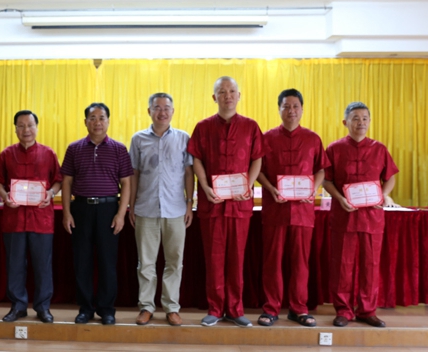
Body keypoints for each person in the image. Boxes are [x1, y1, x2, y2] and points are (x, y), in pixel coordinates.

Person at [187, 76, 264, 327]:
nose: (227, 95)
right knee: (214, 259)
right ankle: (215, 308)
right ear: (214, 97)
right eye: (222, 91)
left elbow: (257, 158)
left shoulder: (251, 127)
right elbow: (196, 159)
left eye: (232, 91)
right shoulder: (203, 127)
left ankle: (235, 309)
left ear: (239, 96)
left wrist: (249, 185)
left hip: (240, 205)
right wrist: (204, 186)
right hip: (212, 204)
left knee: (236, 259)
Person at [256, 89, 330, 327]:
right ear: (279, 109)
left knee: (300, 261)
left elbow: (321, 169)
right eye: (286, 106)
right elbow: (258, 170)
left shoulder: (313, 138)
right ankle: (271, 308)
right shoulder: (267, 138)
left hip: (303, 211)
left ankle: (299, 309)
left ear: (302, 109)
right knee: (272, 260)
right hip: (275, 209)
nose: (291, 111)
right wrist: (271, 188)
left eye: (295, 106)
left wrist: (313, 189)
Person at [323, 102, 399, 328]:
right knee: (342, 265)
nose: (361, 122)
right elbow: (326, 180)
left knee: (370, 265)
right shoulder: (334, 149)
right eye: (355, 118)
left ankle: (367, 311)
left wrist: (383, 195)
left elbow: (390, 178)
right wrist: (340, 198)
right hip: (344, 215)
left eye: (365, 118)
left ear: (370, 122)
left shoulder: (379, 149)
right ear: (345, 122)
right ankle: (343, 311)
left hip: (372, 217)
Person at [61, 102, 133, 325]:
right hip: (81, 209)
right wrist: (66, 213)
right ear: (85, 122)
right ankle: (85, 308)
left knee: (107, 262)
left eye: (102, 118)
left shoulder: (119, 149)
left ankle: (106, 309)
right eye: (92, 118)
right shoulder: (74, 148)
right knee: (82, 261)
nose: (97, 122)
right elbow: (67, 182)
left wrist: (121, 214)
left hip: (108, 210)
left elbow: (126, 183)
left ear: (108, 121)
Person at [128, 93, 194, 326]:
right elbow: (133, 174)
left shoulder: (183, 138)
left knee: (174, 262)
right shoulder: (138, 139)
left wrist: (189, 204)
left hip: (176, 209)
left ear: (173, 111)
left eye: (167, 108)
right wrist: (131, 205)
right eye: (157, 107)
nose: (162, 112)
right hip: (145, 209)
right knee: (145, 263)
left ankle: (171, 307)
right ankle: (146, 307)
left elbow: (189, 173)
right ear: (149, 111)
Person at [0, 110, 62, 323]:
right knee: (15, 265)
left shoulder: (48, 154)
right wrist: (5, 196)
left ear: (37, 128)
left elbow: (58, 181)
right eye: (21, 126)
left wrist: (50, 193)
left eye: (30, 125)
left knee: (42, 265)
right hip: (14, 219)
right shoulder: (6, 154)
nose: (26, 130)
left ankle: (43, 307)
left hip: (41, 219)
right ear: (15, 129)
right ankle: (18, 306)